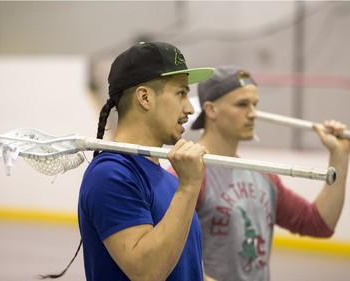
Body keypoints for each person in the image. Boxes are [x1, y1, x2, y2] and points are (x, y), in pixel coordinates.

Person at [168, 65, 349, 281]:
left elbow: (319, 224)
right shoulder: (188, 172)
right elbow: (170, 255)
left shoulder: (263, 176)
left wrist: (339, 156)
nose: (253, 114)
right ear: (211, 109)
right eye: (242, 105)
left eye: (255, 105)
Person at [77, 41, 218, 281]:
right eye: (181, 93)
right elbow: (147, 272)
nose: (189, 108)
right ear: (144, 97)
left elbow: (185, 271)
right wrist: (188, 187)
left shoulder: (167, 179)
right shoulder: (111, 175)